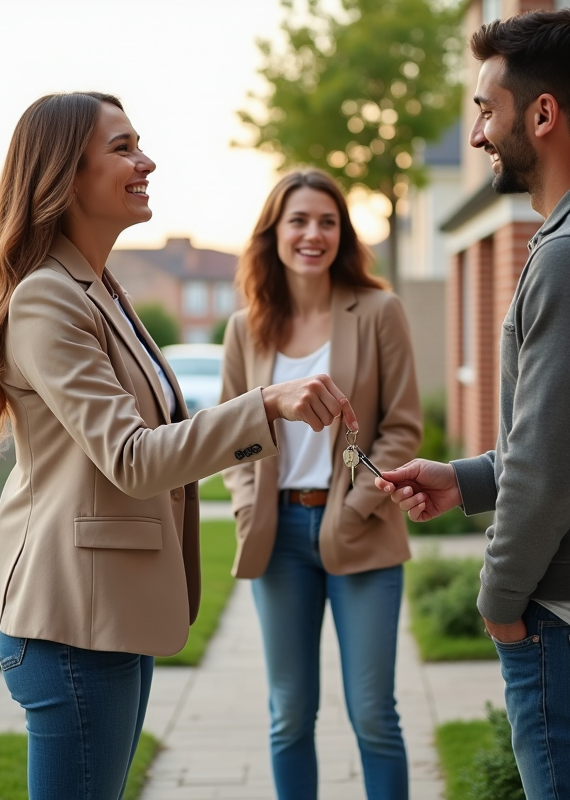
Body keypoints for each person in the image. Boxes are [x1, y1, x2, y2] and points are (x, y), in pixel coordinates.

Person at [0, 92, 358, 800]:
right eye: (122, 148)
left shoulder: (98, 290)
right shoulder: (49, 298)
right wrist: (265, 405)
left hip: (108, 613)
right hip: (71, 623)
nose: (146, 162)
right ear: (65, 174)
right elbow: (134, 458)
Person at [376, 10, 570, 800]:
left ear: (543, 114)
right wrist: (465, 480)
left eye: (487, 109)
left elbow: (550, 470)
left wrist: (498, 603)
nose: (478, 134)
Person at [220, 168, 422, 800]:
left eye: (328, 222)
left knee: (374, 715)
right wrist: (248, 504)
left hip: (362, 529)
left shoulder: (380, 311)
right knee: (289, 715)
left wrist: (355, 506)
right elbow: (230, 436)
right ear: (274, 233)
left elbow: (402, 426)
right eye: (299, 221)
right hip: (278, 537)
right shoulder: (245, 328)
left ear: (343, 234)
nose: (314, 234)